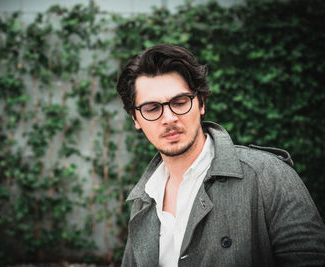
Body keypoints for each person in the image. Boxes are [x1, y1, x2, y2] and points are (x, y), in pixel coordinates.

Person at [116, 44, 325, 267]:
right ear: (136, 119)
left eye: (179, 102)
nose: (168, 118)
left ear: (201, 103)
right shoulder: (144, 199)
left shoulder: (268, 175)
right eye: (151, 108)